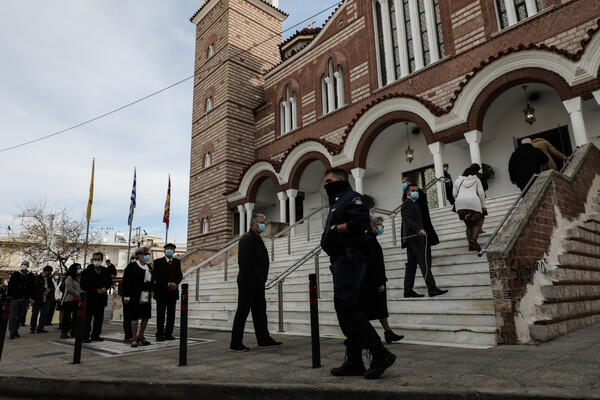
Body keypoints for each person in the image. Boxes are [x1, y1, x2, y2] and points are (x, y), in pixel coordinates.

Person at [321, 168, 396, 380]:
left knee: (346, 304)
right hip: (340, 259)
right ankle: (354, 360)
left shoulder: (352, 198)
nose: (326, 184)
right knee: (347, 308)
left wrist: (334, 229)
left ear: (341, 180)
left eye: (329, 181)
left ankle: (379, 353)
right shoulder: (337, 201)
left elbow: (360, 223)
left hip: (350, 257)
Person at [230, 214, 282, 352]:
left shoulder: (257, 238)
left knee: (260, 312)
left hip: (257, 282)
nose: (263, 225)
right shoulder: (247, 239)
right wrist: (254, 278)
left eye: (263, 222)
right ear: (253, 223)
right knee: (242, 311)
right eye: (261, 222)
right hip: (249, 281)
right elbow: (244, 262)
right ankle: (235, 343)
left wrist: (260, 279)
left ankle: (264, 339)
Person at [360, 216, 404, 344]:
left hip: (373, 279)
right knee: (371, 308)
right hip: (373, 281)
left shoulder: (370, 238)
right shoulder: (370, 240)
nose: (382, 228)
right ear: (373, 227)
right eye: (380, 225)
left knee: (380, 308)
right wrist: (379, 282)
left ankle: (388, 332)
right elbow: (372, 263)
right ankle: (366, 335)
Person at [401, 184, 448, 298]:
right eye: (413, 190)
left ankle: (408, 290)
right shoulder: (408, 204)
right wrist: (419, 229)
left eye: (417, 190)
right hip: (416, 237)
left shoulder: (412, 203)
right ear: (407, 192)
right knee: (424, 262)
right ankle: (432, 288)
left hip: (412, 238)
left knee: (411, 265)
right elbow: (408, 219)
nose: (415, 192)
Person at [123, 247, 154, 348]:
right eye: (145, 254)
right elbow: (126, 282)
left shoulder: (149, 267)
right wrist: (126, 295)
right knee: (134, 317)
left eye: (148, 254)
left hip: (146, 295)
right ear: (139, 255)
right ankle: (134, 337)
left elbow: (152, 281)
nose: (147, 256)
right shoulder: (131, 266)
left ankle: (141, 335)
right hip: (134, 294)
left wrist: (152, 290)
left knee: (146, 316)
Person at [80, 251, 113, 343]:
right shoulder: (87, 271)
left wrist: (105, 288)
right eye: (95, 259)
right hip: (90, 298)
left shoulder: (106, 271)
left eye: (98, 259)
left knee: (99, 319)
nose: (96, 261)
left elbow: (109, 282)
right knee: (87, 318)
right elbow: (83, 285)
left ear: (102, 260)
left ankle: (96, 335)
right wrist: (94, 290)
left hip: (101, 299)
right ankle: (85, 336)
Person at [453, 166, 487, 251]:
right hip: (473, 203)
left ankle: (471, 246)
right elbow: (481, 193)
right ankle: (474, 240)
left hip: (460, 204)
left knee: (468, 225)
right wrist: (483, 206)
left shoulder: (457, 180)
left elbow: (454, 194)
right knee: (478, 222)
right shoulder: (476, 180)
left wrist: (459, 202)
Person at [153, 243, 183, 341]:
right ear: (164, 251)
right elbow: (157, 276)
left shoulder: (177, 262)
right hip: (162, 291)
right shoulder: (158, 262)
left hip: (173, 292)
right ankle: (159, 334)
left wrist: (175, 284)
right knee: (161, 314)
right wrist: (168, 284)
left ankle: (168, 333)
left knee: (171, 314)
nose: (169, 250)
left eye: (172, 249)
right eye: (167, 248)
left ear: (174, 251)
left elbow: (179, 275)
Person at [401, 176, 440, 248]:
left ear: (409, 182)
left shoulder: (417, 193)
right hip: (417, 226)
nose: (402, 184)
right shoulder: (415, 193)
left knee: (423, 246)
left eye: (404, 182)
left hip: (419, 223)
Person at [7, 261, 36, 339]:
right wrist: (9, 297)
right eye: (22, 264)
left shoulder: (31, 276)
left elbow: (33, 288)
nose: (23, 266)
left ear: (28, 266)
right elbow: (10, 286)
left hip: (25, 299)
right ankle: (12, 332)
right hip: (15, 298)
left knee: (20, 316)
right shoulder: (16, 275)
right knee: (12, 316)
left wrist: (32, 298)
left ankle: (16, 330)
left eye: (25, 264)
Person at [60, 263, 82, 339]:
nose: (79, 270)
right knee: (67, 317)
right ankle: (64, 332)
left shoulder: (79, 277)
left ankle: (74, 331)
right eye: (78, 268)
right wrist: (78, 294)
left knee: (76, 316)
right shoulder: (69, 277)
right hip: (68, 300)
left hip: (76, 300)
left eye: (80, 268)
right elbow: (69, 288)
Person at [30, 265, 53, 334]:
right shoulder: (37, 278)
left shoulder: (49, 279)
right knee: (35, 313)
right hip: (38, 297)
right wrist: (44, 290)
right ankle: (33, 328)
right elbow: (36, 287)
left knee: (44, 313)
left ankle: (41, 327)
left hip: (46, 297)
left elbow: (52, 287)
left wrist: (49, 290)